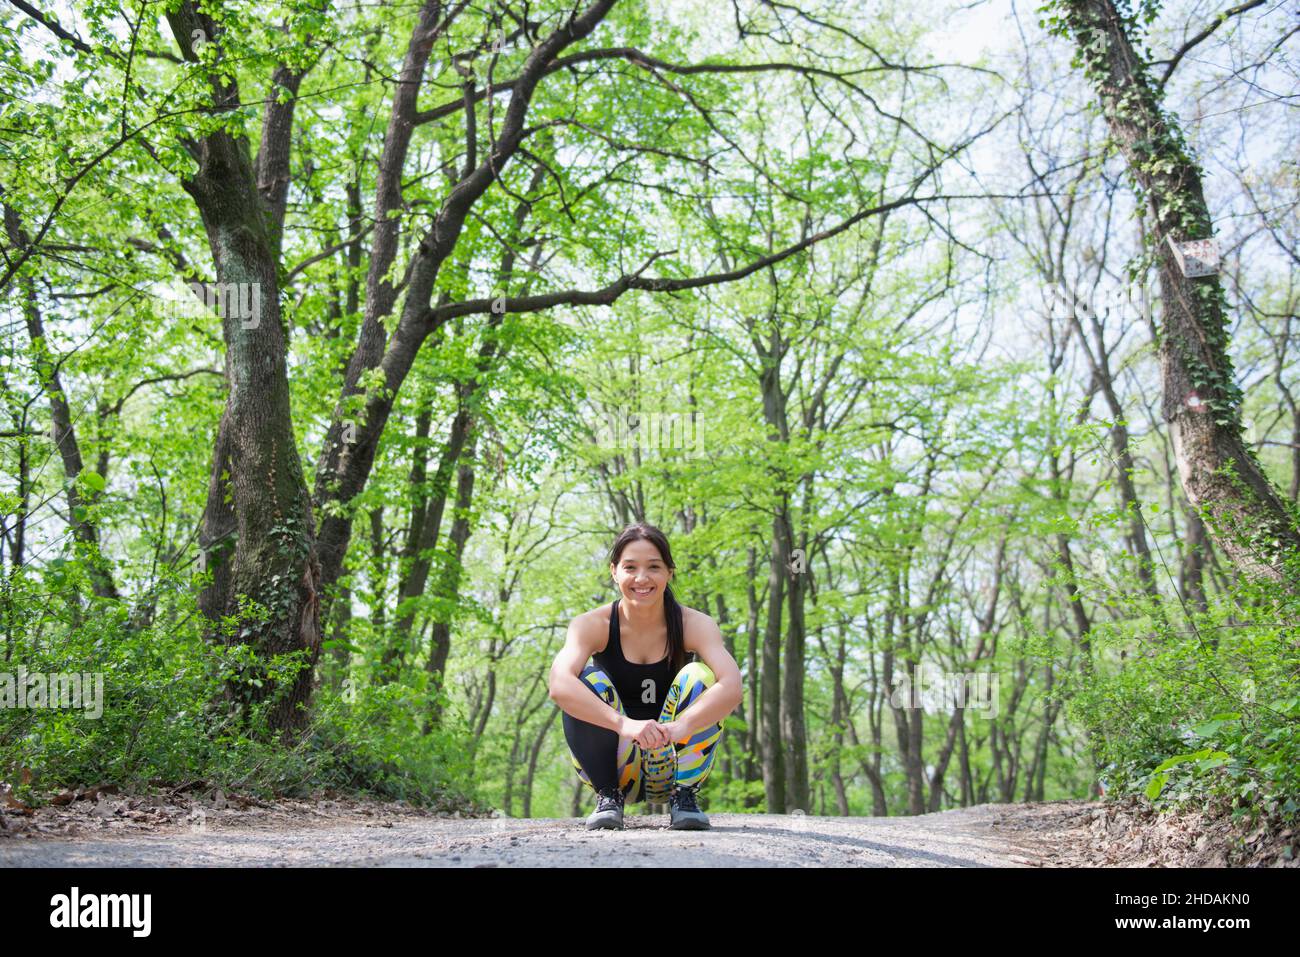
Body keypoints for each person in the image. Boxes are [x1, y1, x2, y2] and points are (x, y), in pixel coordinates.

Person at [548, 523, 743, 830]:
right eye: (630, 567)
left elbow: (732, 687)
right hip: (614, 765)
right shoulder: (591, 624)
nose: (642, 578)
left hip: (673, 761)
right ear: (614, 572)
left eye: (654, 567)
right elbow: (558, 685)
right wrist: (624, 725)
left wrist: (682, 727)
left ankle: (685, 797)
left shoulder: (696, 624)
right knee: (585, 678)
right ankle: (608, 797)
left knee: (699, 674)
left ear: (669, 572)